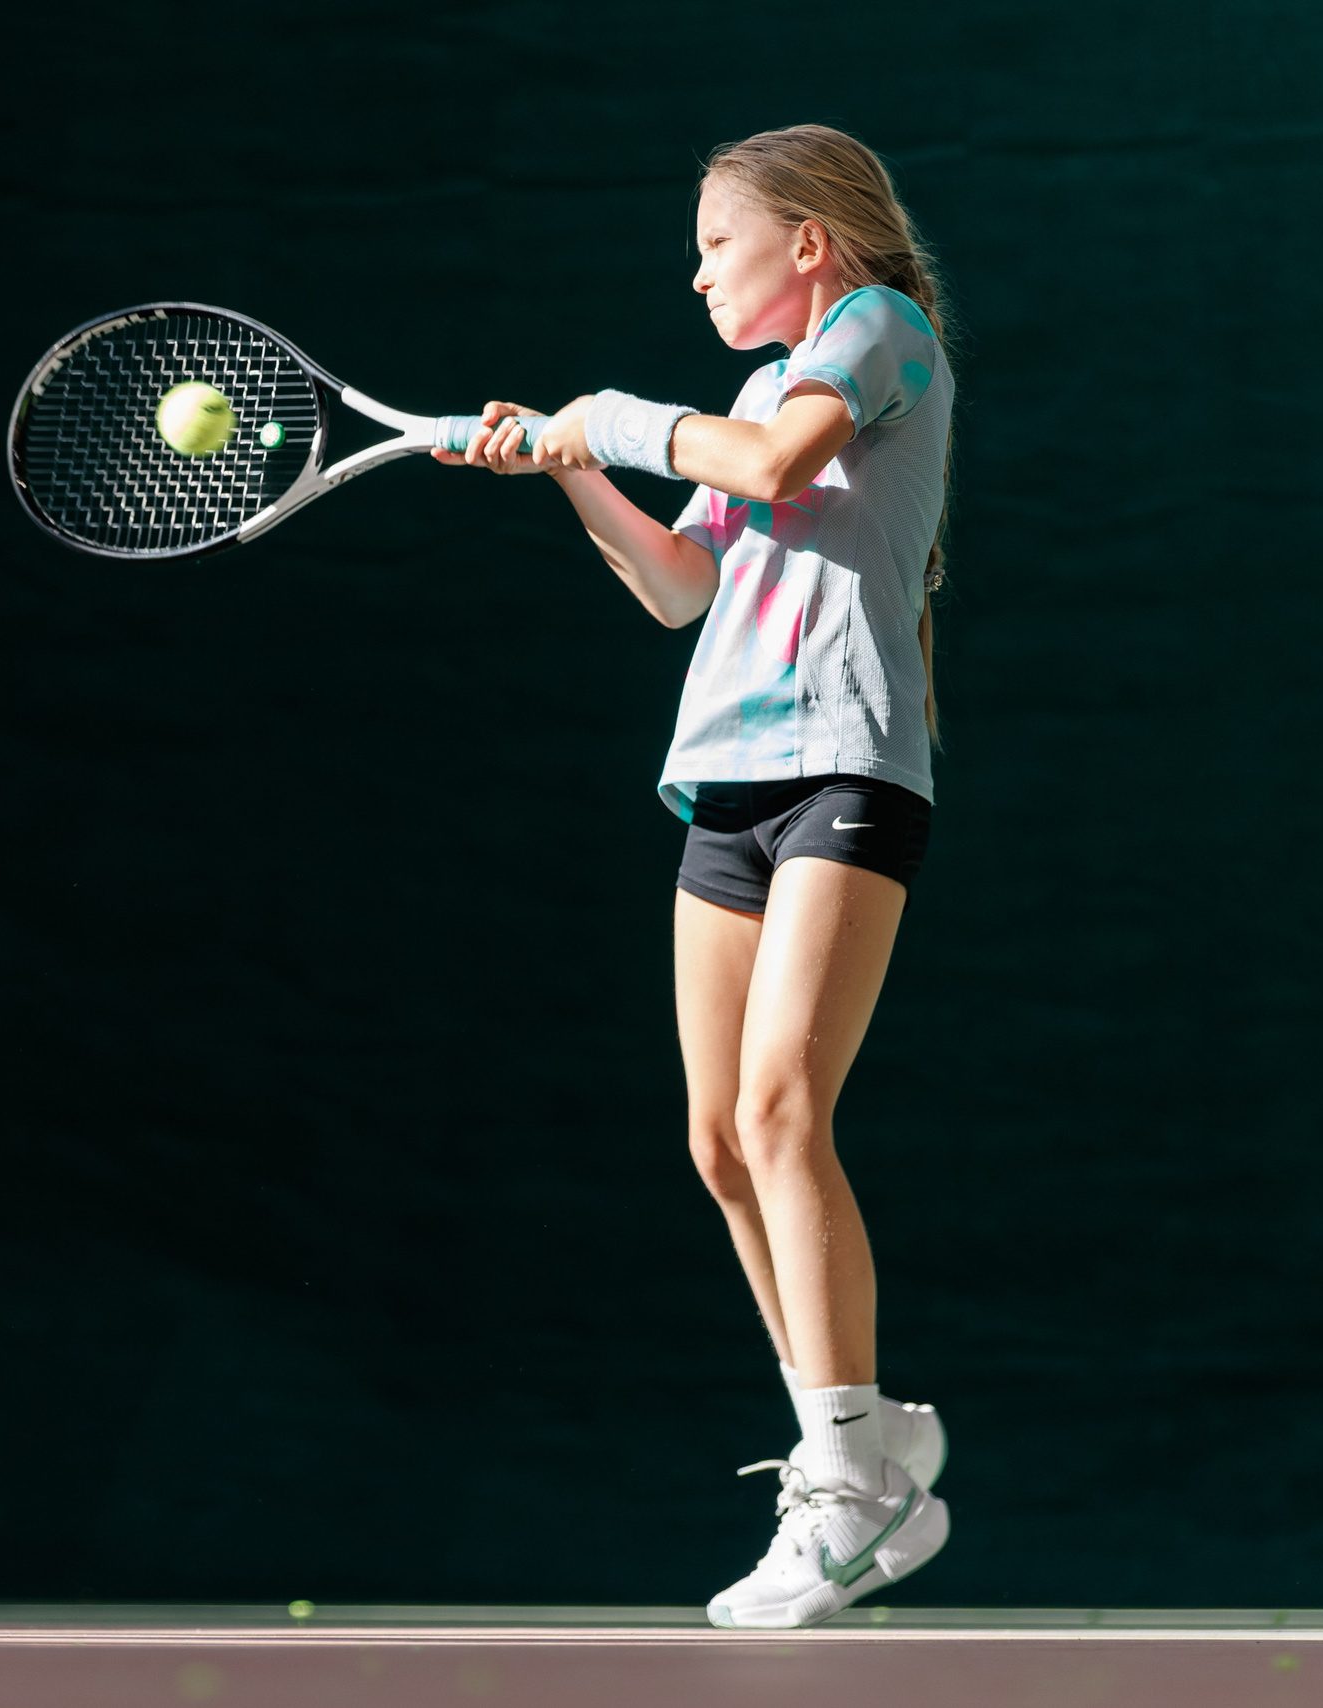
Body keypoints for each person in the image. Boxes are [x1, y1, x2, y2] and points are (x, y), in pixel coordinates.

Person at [440, 123, 955, 1629]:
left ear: (808, 242)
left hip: (846, 773)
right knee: (721, 1145)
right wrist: (572, 469)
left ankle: (848, 1493)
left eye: (717, 243)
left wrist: (608, 417)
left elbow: (782, 464)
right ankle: (867, 1442)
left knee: (784, 1107)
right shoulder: (738, 398)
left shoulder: (881, 330)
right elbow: (681, 589)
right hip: (725, 789)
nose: (697, 273)